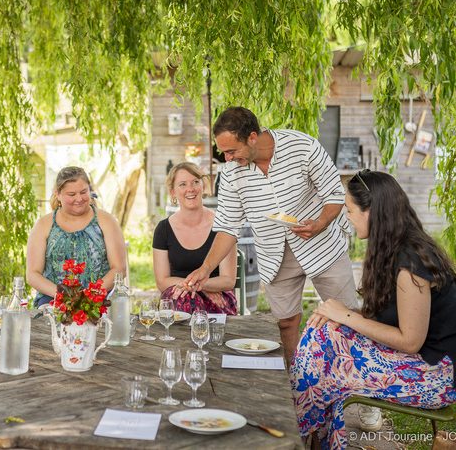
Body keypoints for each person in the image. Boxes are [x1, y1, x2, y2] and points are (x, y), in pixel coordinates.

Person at [290, 170, 456, 449]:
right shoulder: (392, 250)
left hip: (437, 377)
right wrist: (341, 312)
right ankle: (309, 437)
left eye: (350, 210)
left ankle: (297, 434)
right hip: (420, 361)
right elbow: (385, 317)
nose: (347, 217)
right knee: (324, 334)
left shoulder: (411, 263)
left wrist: (347, 315)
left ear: (372, 212)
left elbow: (410, 341)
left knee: (326, 359)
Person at [185, 107, 357, 365]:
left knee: (346, 318)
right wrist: (206, 268)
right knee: (286, 323)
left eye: (232, 151)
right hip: (274, 253)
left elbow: (335, 194)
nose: (228, 158)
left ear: (252, 137)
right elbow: (228, 227)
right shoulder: (231, 173)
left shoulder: (303, 146)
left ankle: (349, 379)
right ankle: (295, 382)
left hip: (322, 245)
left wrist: (320, 223)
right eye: (224, 152)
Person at [26, 166, 127, 307]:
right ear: (58, 194)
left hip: (99, 299)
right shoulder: (43, 225)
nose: (79, 199)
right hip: (53, 300)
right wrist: (63, 295)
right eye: (72, 194)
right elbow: (33, 274)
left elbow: (119, 269)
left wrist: (89, 295)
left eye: (83, 192)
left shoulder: (107, 221)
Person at [153, 162, 237, 314]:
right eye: (183, 184)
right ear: (173, 192)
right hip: (178, 295)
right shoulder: (163, 229)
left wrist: (204, 286)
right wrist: (194, 287)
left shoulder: (222, 225)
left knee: (193, 303)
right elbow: (162, 281)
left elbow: (228, 280)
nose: (190, 189)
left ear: (203, 186)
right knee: (185, 300)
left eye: (195, 182)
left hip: (218, 294)